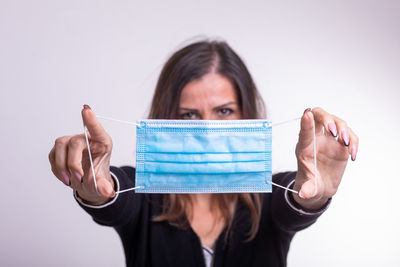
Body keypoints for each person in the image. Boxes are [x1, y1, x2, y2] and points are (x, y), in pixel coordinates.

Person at [48, 40, 358, 267]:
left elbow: (299, 198)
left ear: (247, 113)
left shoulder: (271, 199)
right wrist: (94, 184)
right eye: (189, 116)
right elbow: (112, 194)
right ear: (166, 118)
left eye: (224, 110)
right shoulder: (143, 190)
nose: (208, 130)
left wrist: (315, 193)